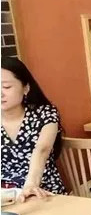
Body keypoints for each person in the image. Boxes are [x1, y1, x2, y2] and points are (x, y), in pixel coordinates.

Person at [1, 56, 65, 199]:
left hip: (42, 193)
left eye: (6, 87)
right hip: (6, 197)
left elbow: (42, 150)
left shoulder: (45, 113)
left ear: (26, 88)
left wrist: (31, 185)